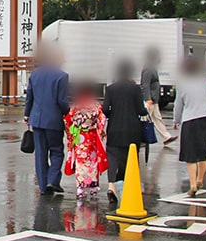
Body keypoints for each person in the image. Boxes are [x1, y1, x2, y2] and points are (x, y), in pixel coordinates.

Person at [24, 47, 70, 195]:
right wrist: (68, 113)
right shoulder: (62, 76)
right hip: (54, 120)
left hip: (36, 119)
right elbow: (61, 101)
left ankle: (43, 186)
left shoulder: (35, 74)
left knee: (40, 153)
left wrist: (27, 114)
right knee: (56, 150)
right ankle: (53, 180)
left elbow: (29, 96)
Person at [103, 60, 148, 204]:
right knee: (129, 159)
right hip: (132, 129)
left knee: (113, 157)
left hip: (114, 128)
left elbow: (105, 110)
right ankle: (126, 186)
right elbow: (141, 111)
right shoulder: (135, 89)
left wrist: (112, 115)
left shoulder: (110, 89)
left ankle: (111, 185)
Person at [174, 56, 206, 196]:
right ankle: (200, 179)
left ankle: (192, 184)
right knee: (203, 152)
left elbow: (178, 105)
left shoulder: (183, 85)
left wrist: (176, 121)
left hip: (190, 120)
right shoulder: (205, 82)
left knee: (190, 154)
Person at [63, 82, 108, 198]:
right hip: (92, 136)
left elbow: (68, 120)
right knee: (93, 161)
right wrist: (100, 131)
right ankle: (93, 186)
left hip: (79, 136)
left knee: (80, 161)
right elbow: (102, 120)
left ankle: (80, 188)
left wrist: (70, 134)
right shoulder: (96, 105)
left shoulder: (76, 105)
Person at [141, 48, 177, 144]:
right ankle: (140, 138)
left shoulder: (151, 67)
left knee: (157, 118)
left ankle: (166, 137)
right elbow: (145, 85)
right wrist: (147, 98)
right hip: (150, 100)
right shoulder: (148, 69)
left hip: (153, 99)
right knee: (144, 119)